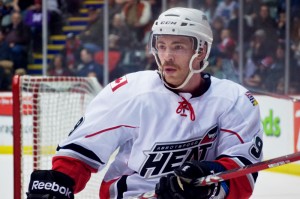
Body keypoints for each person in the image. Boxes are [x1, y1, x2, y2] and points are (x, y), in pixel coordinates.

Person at [26, 7, 263, 199]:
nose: (167, 56)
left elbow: (242, 171)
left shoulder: (234, 101)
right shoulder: (130, 92)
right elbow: (80, 153)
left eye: (178, 46)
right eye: (162, 46)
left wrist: (209, 182)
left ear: (201, 51)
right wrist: (59, 182)